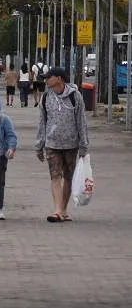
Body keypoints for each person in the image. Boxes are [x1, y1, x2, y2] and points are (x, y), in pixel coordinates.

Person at [35, 66, 91, 222]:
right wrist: (39, 145)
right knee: (55, 176)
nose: (46, 80)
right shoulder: (46, 97)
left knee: (68, 177)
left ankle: (63, 210)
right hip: (51, 144)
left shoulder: (75, 96)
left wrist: (83, 145)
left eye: (49, 77)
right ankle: (57, 210)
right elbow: (42, 122)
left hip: (71, 145)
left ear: (59, 78)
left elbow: (81, 121)